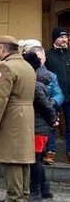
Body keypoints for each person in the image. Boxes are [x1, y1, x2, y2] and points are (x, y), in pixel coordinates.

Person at [0, 35, 36, 202]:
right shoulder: (27, 66)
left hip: (12, 115)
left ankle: (14, 197)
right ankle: (24, 194)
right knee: (23, 158)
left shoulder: (5, 68)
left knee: (11, 158)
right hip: (26, 114)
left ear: (2, 49)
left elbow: (0, 98)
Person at [23, 46, 58, 201]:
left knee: (35, 161)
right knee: (36, 160)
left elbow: (46, 107)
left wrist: (53, 121)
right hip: (38, 127)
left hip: (38, 128)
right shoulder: (38, 82)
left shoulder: (35, 85)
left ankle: (35, 192)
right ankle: (45, 190)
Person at [44, 27, 70, 165]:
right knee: (51, 124)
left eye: (66, 37)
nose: (65, 39)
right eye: (61, 37)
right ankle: (50, 152)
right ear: (55, 39)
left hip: (69, 96)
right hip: (53, 96)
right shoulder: (47, 55)